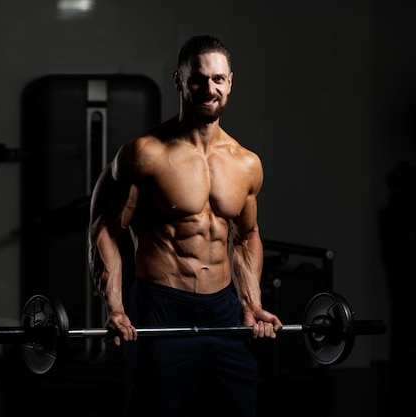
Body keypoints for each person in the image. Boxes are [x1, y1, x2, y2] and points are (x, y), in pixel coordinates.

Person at [87, 34, 283, 417]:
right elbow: (106, 229)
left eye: (218, 79)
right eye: (197, 79)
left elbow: (246, 237)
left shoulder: (246, 163)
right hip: (163, 307)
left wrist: (252, 304)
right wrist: (115, 306)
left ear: (230, 82)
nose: (208, 89)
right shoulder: (145, 154)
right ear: (179, 81)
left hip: (224, 311)